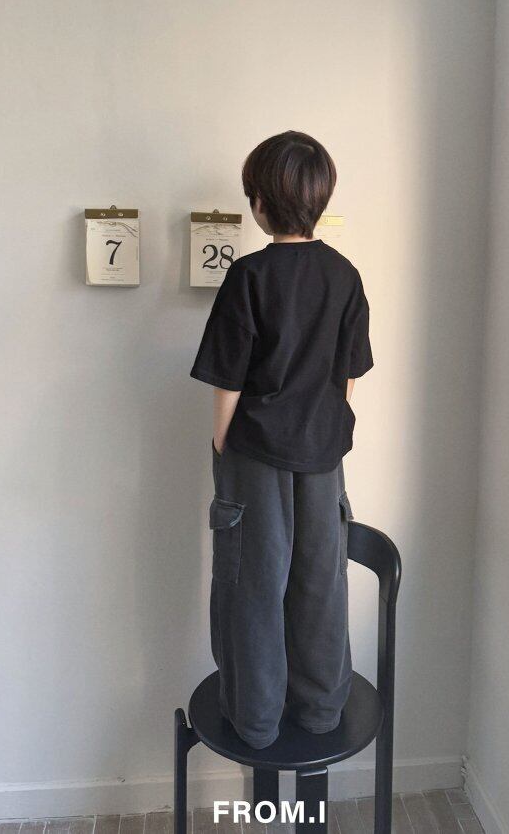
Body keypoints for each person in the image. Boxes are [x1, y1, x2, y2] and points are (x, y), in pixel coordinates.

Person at [189, 130, 374, 750]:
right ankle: (321, 711)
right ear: (320, 199)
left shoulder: (249, 276)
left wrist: (222, 450)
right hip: (325, 459)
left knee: (253, 587)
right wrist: (323, 428)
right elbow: (349, 376)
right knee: (322, 582)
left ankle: (257, 720)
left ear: (261, 203)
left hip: (255, 460)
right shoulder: (345, 275)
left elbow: (228, 381)